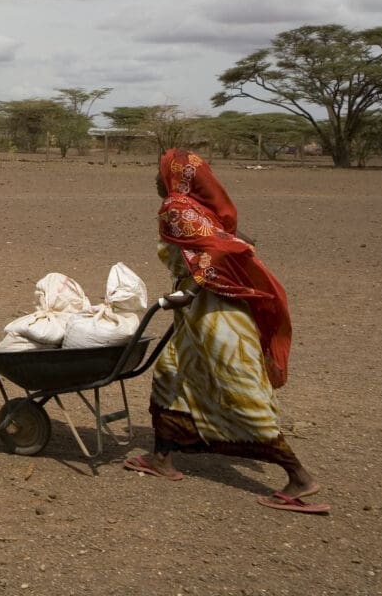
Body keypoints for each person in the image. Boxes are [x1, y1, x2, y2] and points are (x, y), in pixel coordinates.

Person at [123, 148, 328, 515]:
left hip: (215, 316)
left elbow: (223, 248)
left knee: (239, 388)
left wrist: (194, 287)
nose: (155, 179)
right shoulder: (201, 208)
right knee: (172, 375)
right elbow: (236, 240)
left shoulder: (175, 208)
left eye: (159, 173)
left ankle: (299, 477)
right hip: (201, 312)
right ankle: (161, 459)